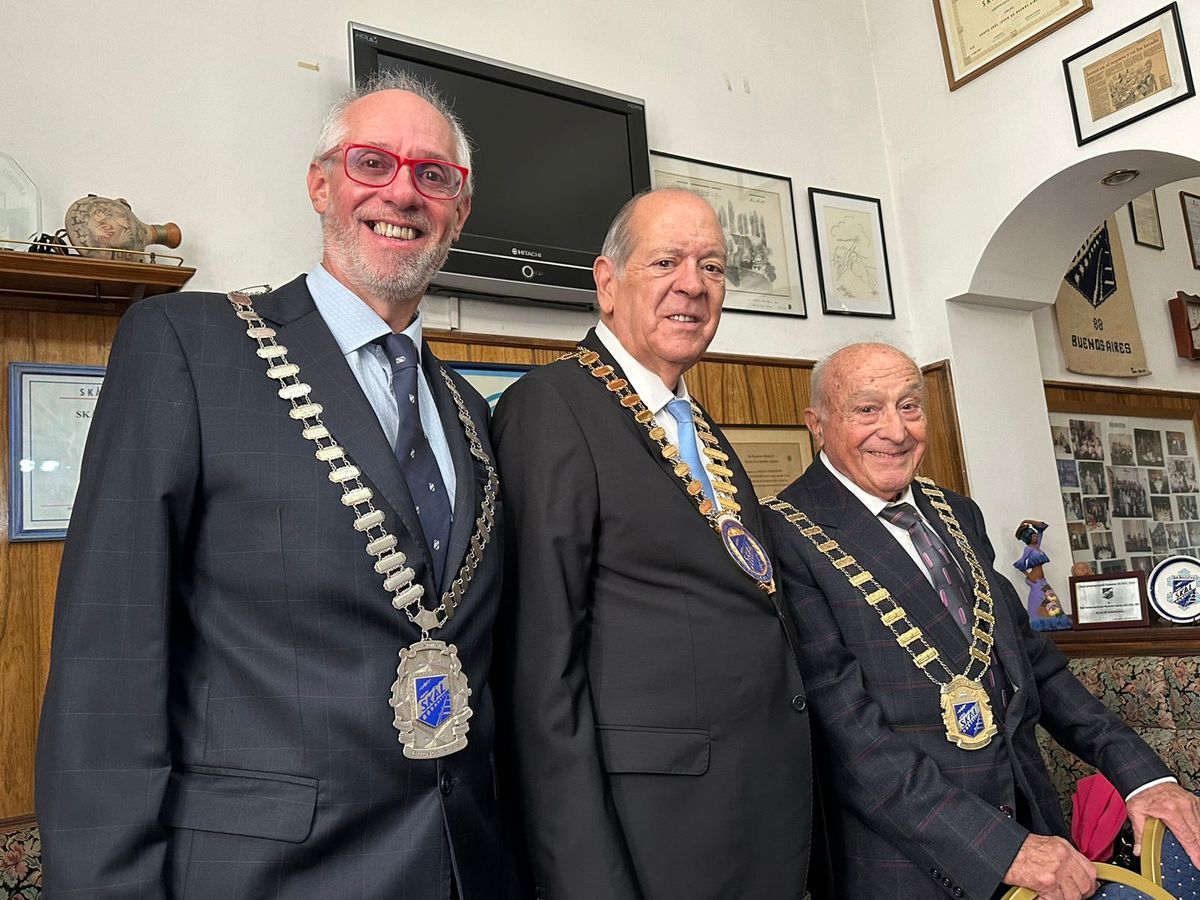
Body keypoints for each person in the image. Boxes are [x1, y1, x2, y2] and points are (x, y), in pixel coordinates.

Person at [36, 72, 519, 899]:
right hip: (265, 872)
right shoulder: (189, 346)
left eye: (433, 175)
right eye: (373, 163)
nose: (403, 191)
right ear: (321, 184)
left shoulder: (471, 413)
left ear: (460, 210)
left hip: (461, 865)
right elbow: (109, 654)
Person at [762, 342, 1200, 900]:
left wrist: (1145, 777)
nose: (895, 431)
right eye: (866, 409)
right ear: (817, 424)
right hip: (914, 868)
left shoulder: (956, 512)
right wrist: (998, 848)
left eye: (910, 406)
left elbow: (1036, 668)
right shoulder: (783, 535)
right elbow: (849, 740)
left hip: (1036, 832)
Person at [492, 188, 813, 899]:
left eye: (712, 267)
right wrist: (584, 880)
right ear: (607, 283)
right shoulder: (551, 407)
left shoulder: (699, 427)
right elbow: (539, 676)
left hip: (758, 821)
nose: (692, 286)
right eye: (664, 261)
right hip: (650, 839)